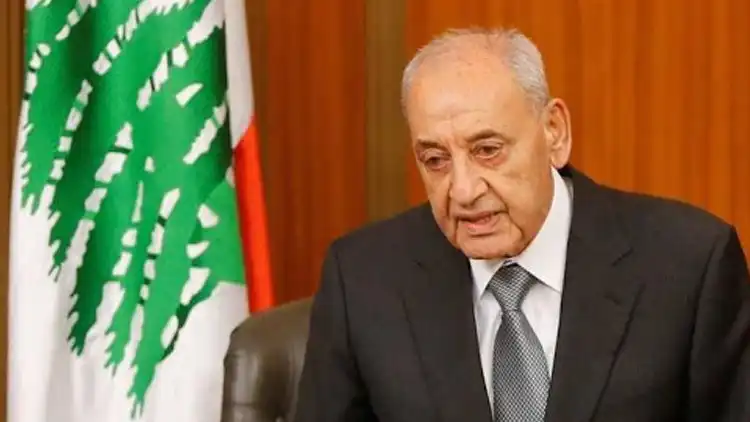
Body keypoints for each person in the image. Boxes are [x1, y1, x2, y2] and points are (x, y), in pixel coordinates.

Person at [294, 27, 750, 422]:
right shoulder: (363, 280)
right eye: (435, 160)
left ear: (554, 131)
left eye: (487, 150)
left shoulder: (690, 265)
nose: (463, 190)